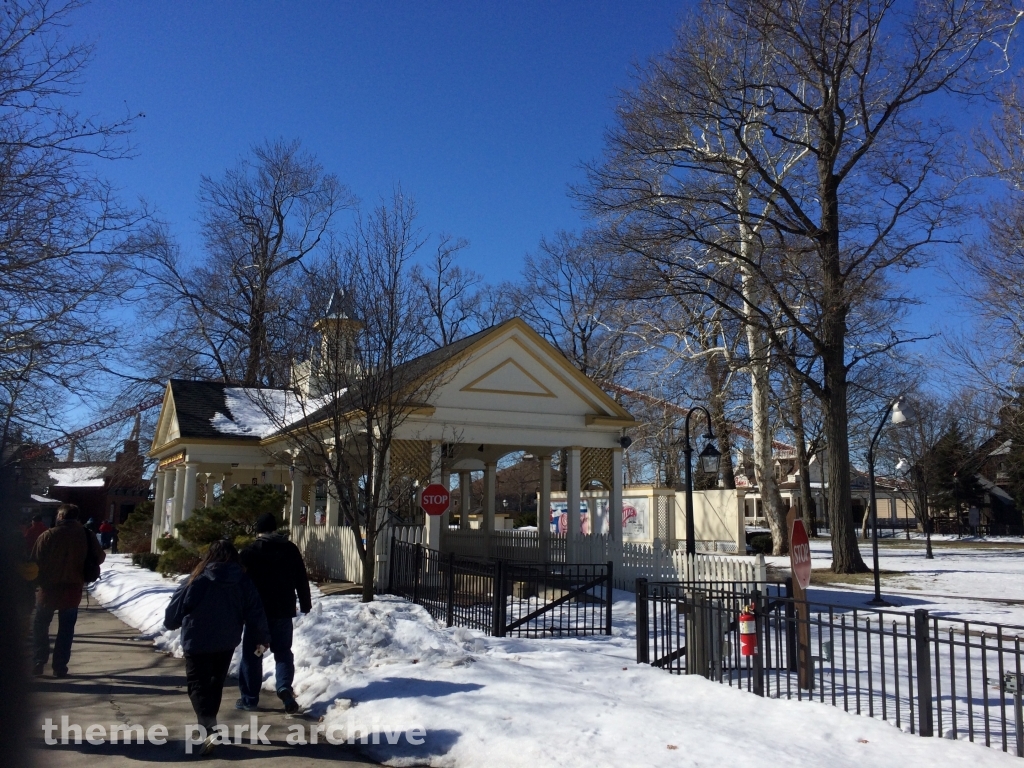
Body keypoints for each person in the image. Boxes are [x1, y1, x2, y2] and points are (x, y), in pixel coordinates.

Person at [164, 540, 269, 755]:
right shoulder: (242, 580)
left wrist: (171, 623)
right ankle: (208, 724)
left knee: (197, 684)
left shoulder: (196, 579)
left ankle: (208, 727)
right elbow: (255, 611)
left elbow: (175, 610)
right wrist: (262, 636)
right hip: (226, 640)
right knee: (215, 683)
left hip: (197, 639)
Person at [237, 513, 312, 714]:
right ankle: (284, 687)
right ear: (275, 528)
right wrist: (305, 603)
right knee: (282, 652)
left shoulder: (250, 552)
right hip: (283, 611)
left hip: (257, 615)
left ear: (258, 530)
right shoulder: (290, 549)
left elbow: (240, 583)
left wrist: (238, 609)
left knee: (253, 655)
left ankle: (249, 698)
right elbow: (301, 578)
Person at [31, 504, 106, 677]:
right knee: (66, 629)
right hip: (73, 588)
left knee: (40, 625)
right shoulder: (87, 535)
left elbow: (35, 559)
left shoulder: (48, 535)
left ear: (61, 516)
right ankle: (60, 667)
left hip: (48, 588)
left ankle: (38, 661)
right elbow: (100, 557)